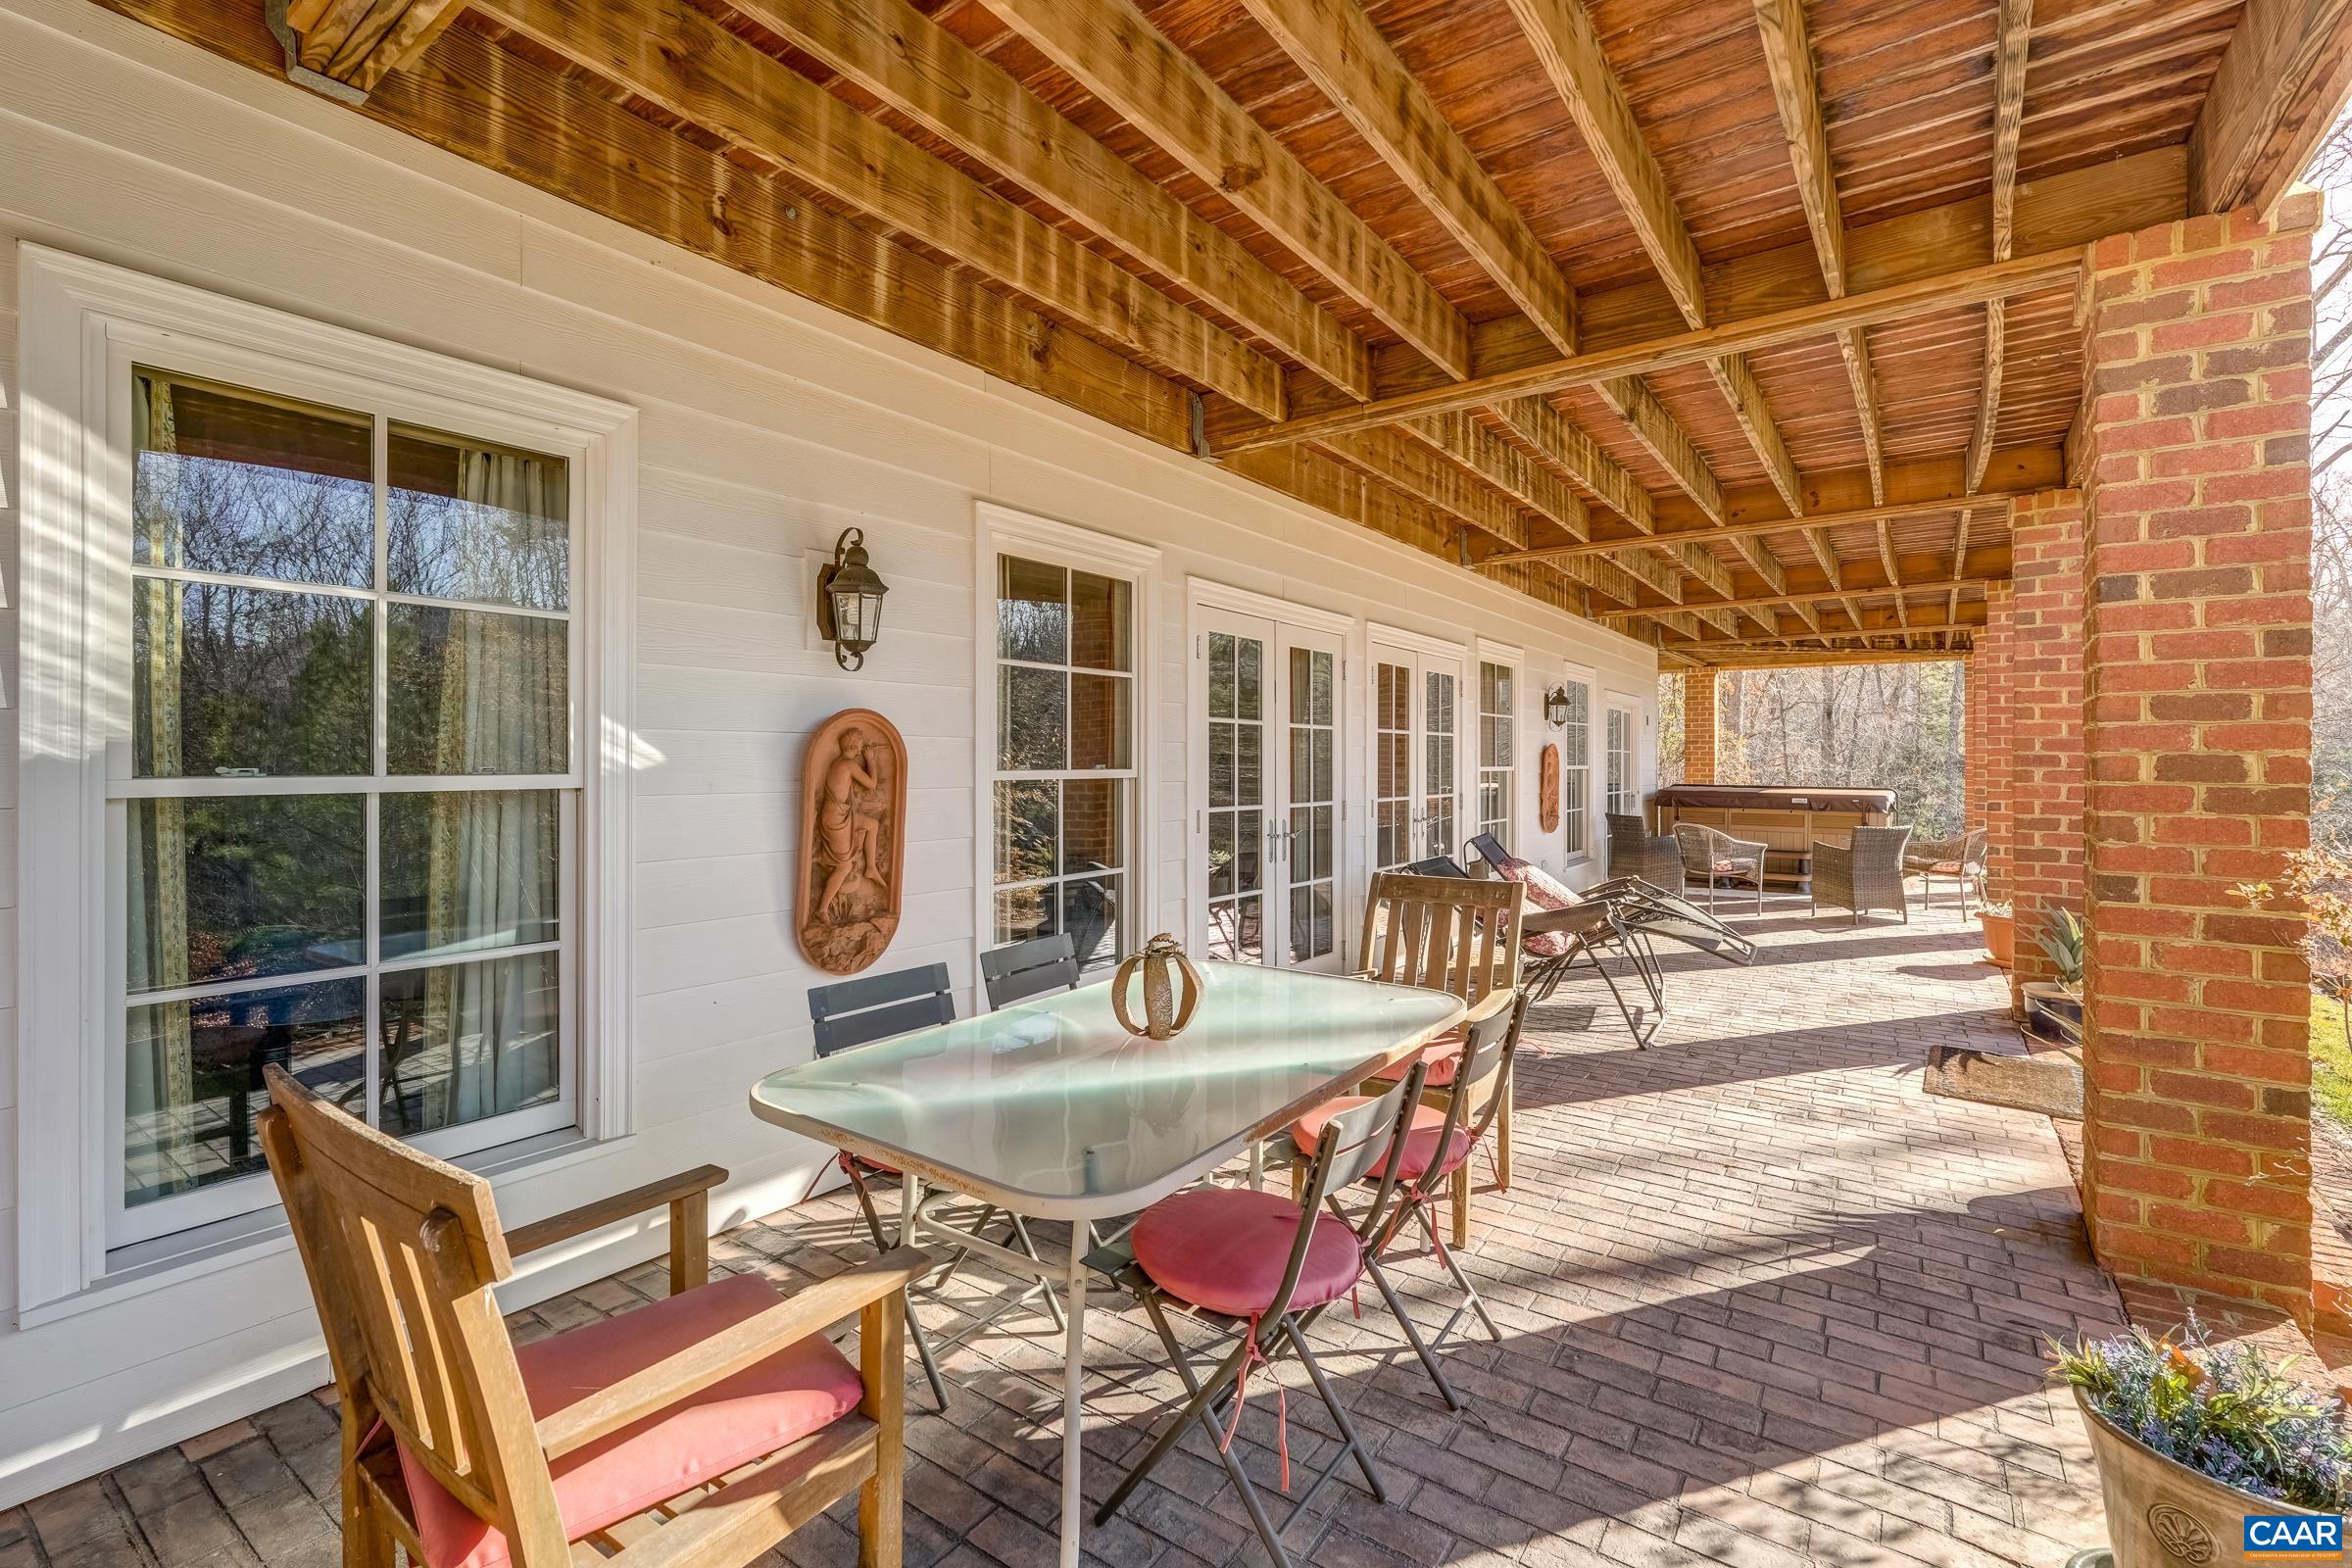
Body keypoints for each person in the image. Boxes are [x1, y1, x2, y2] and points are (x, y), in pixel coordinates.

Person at [817, 726, 886, 919]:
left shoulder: (840, 763)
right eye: (861, 743)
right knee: (844, 866)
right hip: (836, 820)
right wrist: (870, 759)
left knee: (872, 824)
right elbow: (871, 785)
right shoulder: (847, 764)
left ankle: (870, 868)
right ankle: (822, 909)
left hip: (843, 815)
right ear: (855, 744)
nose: (863, 746)